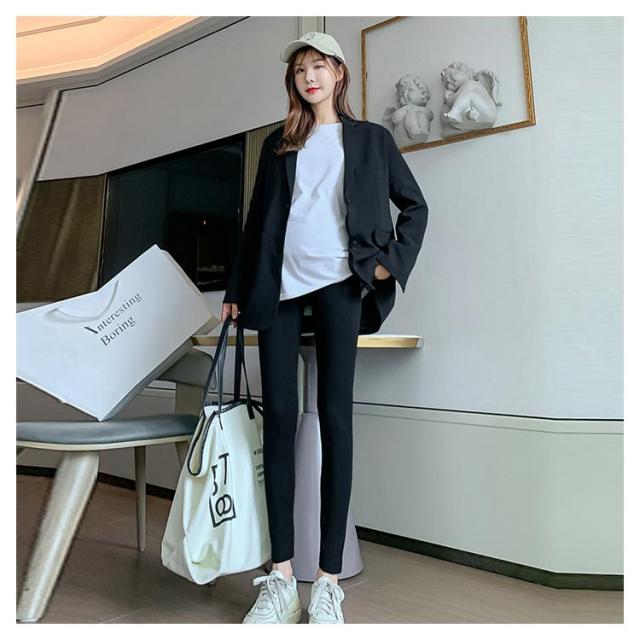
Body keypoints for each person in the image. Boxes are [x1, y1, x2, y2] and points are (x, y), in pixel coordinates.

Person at [221, 32, 426, 624]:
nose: (308, 76)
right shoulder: (278, 143)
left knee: (336, 421)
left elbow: (415, 206)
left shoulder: (371, 140)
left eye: (318, 66)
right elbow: (256, 223)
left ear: (338, 72)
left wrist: (388, 263)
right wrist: (236, 290)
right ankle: (282, 577)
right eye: (299, 70)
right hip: (278, 291)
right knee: (279, 421)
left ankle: (329, 582)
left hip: (341, 286)